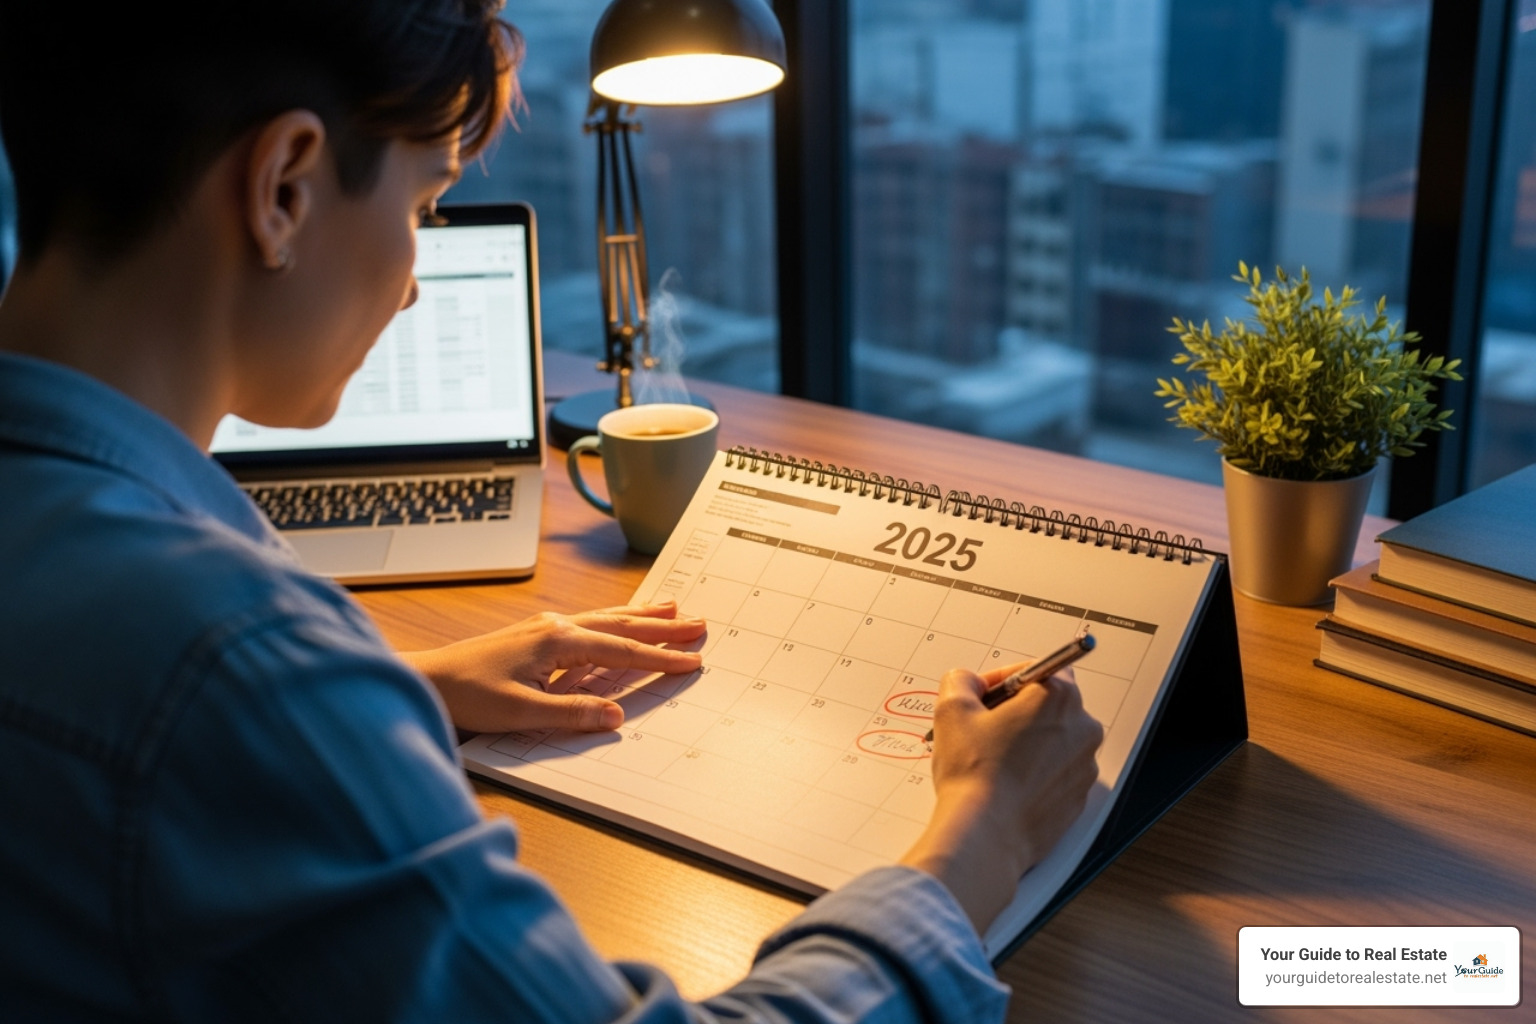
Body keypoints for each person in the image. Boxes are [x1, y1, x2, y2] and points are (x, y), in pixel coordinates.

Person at [0, 2, 1104, 1020]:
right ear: (284, 187)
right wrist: (978, 841)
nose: (415, 279)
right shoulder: (234, 664)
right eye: (424, 204)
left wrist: (400, 691)